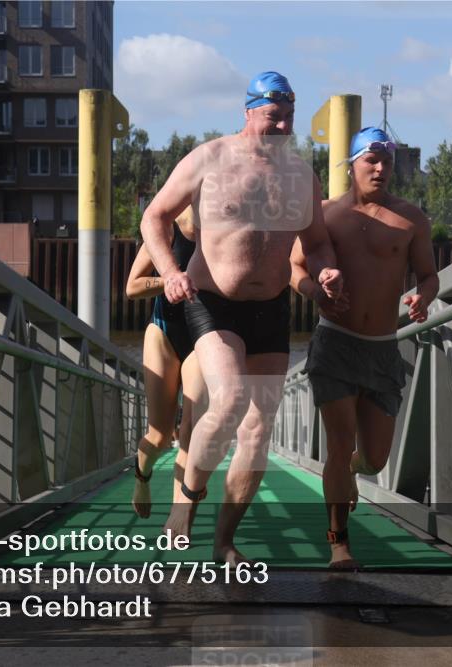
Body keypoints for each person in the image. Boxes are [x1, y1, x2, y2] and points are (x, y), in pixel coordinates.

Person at [140, 71, 343, 564]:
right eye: (274, 116)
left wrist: (325, 270)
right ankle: (185, 500)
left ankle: (225, 542)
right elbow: (154, 217)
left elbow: (315, 242)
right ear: (249, 111)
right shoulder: (208, 158)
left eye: (289, 118)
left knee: (258, 430)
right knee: (229, 400)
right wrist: (169, 272)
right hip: (213, 302)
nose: (282, 127)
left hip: (271, 309)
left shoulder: (300, 175)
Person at [290, 127, 438, 568]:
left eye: (387, 162)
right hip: (335, 343)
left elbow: (428, 275)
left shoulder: (411, 219)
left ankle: (353, 472)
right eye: (371, 161)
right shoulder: (325, 215)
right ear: (351, 165)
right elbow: (293, 268)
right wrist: (315, 291)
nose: (380, 169)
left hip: (382, 348)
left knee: (374, 458)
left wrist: (424, 297)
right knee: (337, 445)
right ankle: (339, 544)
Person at [125, 208, 205, 518]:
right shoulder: (167, 231)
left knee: (191, 431)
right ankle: (142, 475)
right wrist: (172, 280)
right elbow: (132, 287)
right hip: (164, 333)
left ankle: (179, 517)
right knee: (159, 434)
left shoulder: (220, 234)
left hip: (201, 336)